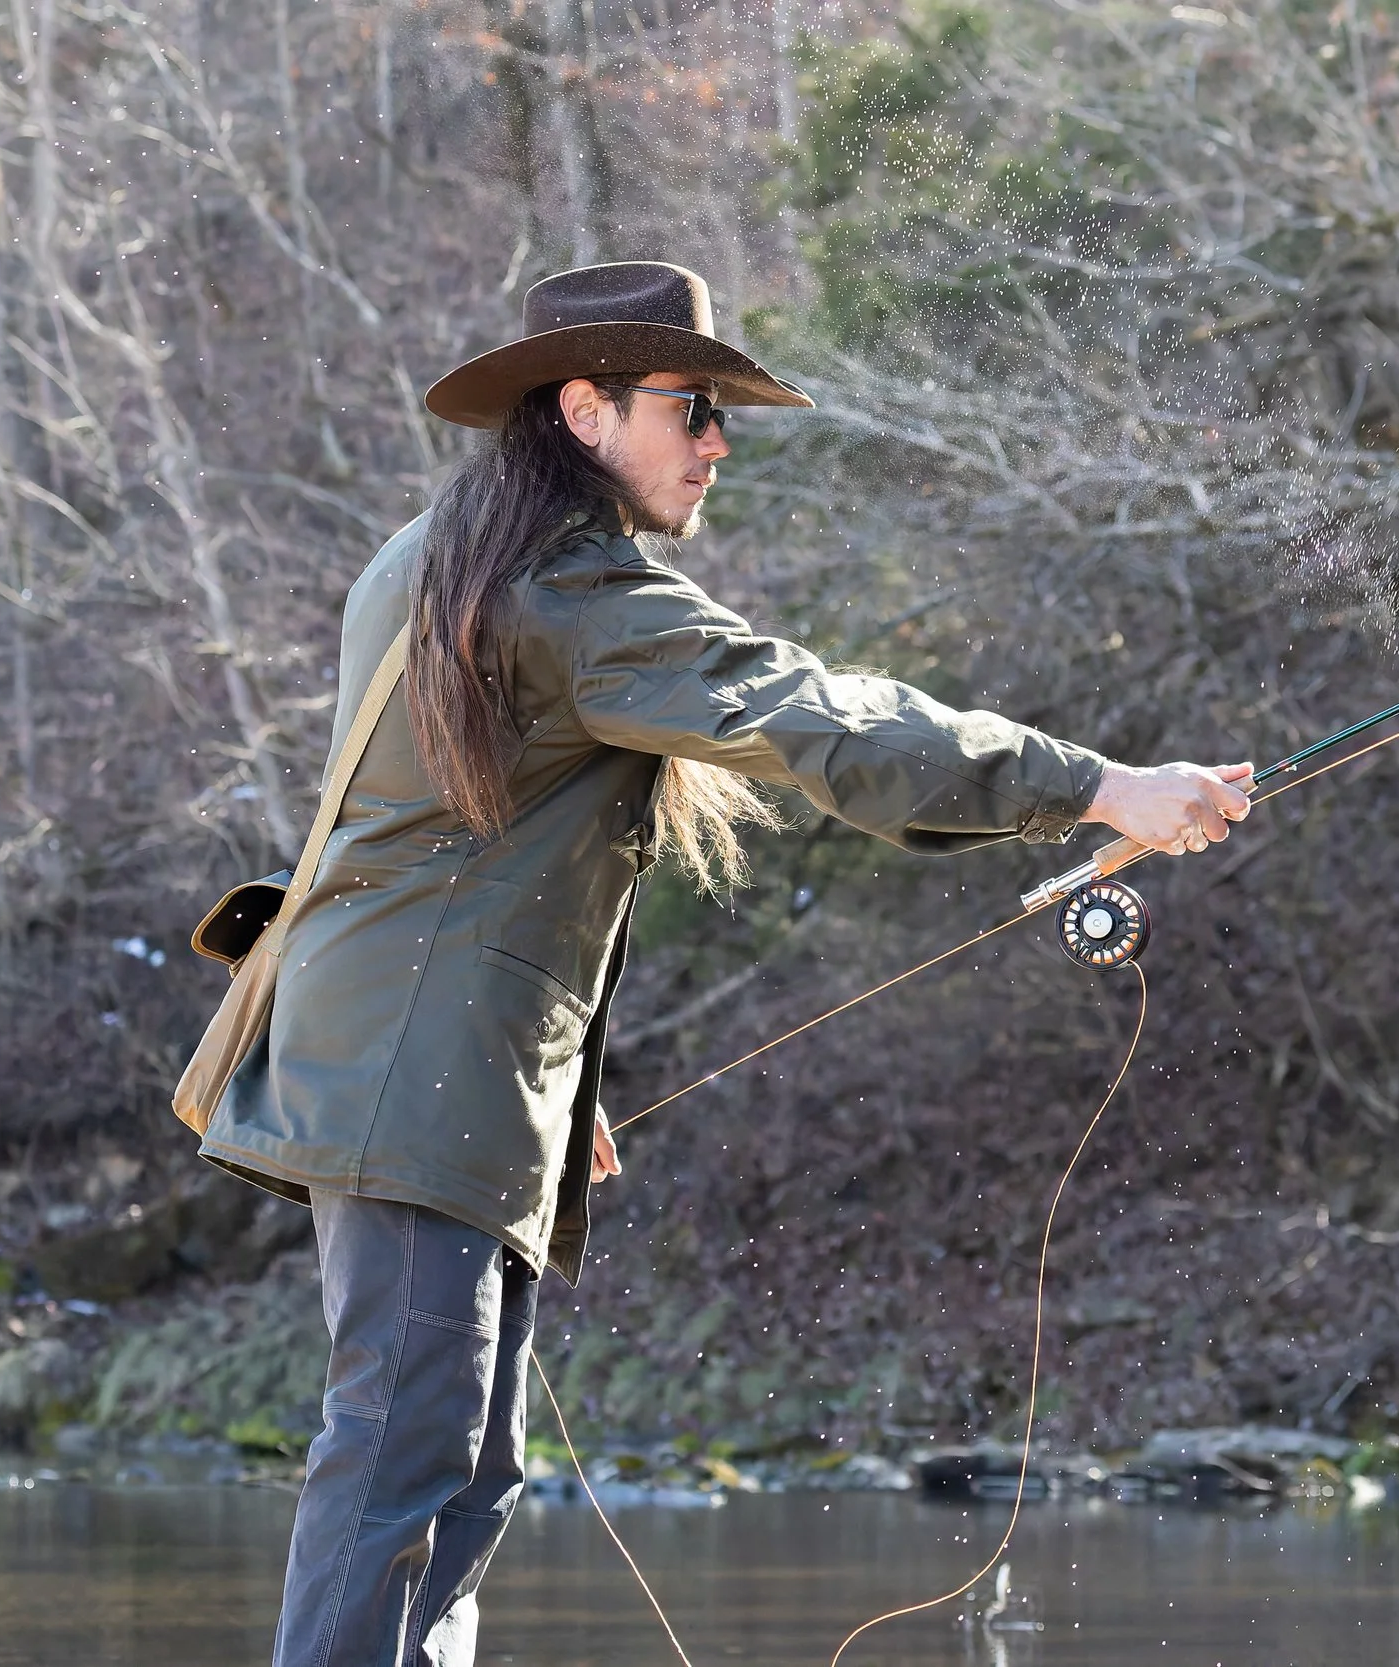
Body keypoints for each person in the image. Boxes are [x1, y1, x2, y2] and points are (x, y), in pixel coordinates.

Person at [193, 260, 1250, 1665]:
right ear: (582, 408)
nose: (716, 442)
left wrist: (554, 1084)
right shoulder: (558, 592)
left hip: (424, 1067)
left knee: (463, 1465)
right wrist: (1099, 784)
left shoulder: (439, 555)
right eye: (692, 407)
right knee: (401, 1459)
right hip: (413, 1080)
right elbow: (823, 722)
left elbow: (447, 858)